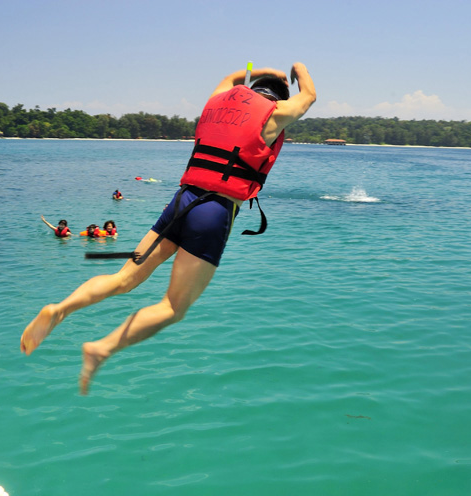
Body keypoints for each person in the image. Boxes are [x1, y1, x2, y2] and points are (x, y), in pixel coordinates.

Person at [21, 63, 316, 394]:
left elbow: (233, 79)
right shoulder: (274, 115)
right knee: (174, 307)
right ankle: (101, 348)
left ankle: (60, 309)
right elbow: (310, 96)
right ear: (276, 98)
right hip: (214, 212)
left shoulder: (216, 101)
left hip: (181, 201)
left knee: (123, 279)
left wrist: (253, 69)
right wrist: (298, 68)